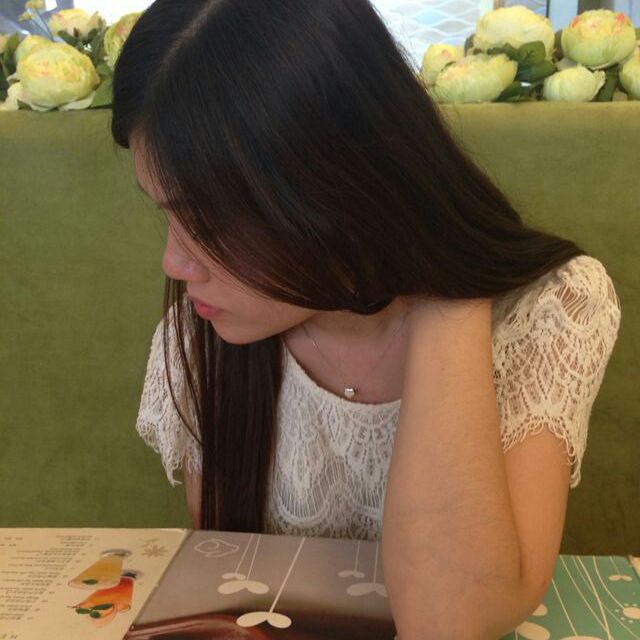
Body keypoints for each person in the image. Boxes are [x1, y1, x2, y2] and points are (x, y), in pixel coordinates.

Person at [111, 1, 621, 636]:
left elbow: (452, 620)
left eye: (207, 220)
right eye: (166, 214)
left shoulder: (548, 311)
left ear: (338, 187)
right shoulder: (207, 334)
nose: (175, 263)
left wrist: (444, 276)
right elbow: (238, 582)